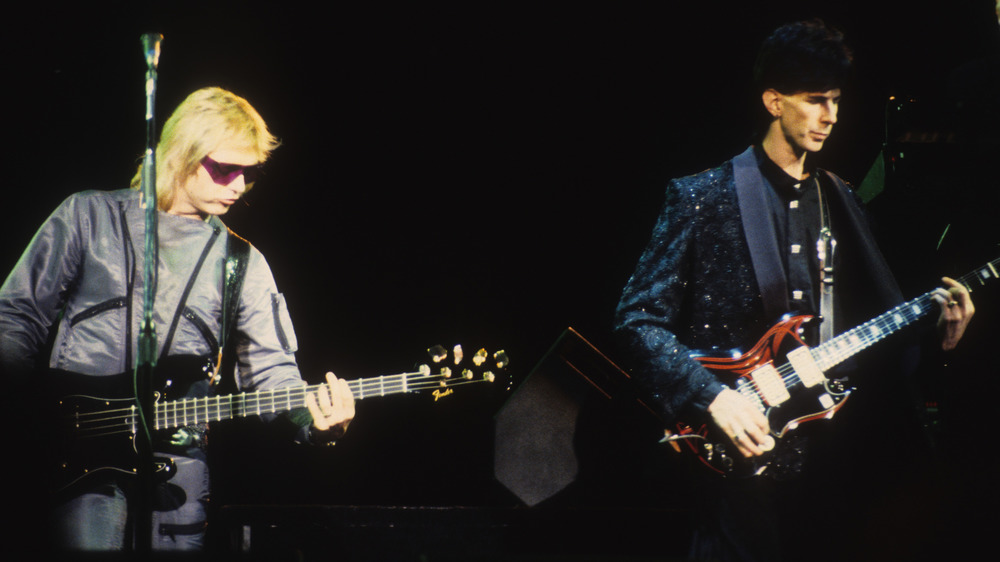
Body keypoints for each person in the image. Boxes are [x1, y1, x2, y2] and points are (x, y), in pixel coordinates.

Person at [613, 20, 974, 561]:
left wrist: (938, 328)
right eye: (815, 100)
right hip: (740, 461)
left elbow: (872, 327)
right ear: (773, 101)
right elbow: (637, 320)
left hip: (835, 467)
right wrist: (714, 399)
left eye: (835, 101)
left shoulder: (841, 200)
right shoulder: (701, 197)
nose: (831, 116)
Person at [0, 87, 356, 552]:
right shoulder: (89, 215)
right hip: (76, 452)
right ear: (182, 153)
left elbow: (271, 373)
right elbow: (16, 318)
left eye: (248, 172)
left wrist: (313, 419)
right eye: (224, 168)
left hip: (178, 465)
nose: (238, 185)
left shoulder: (241, 261)